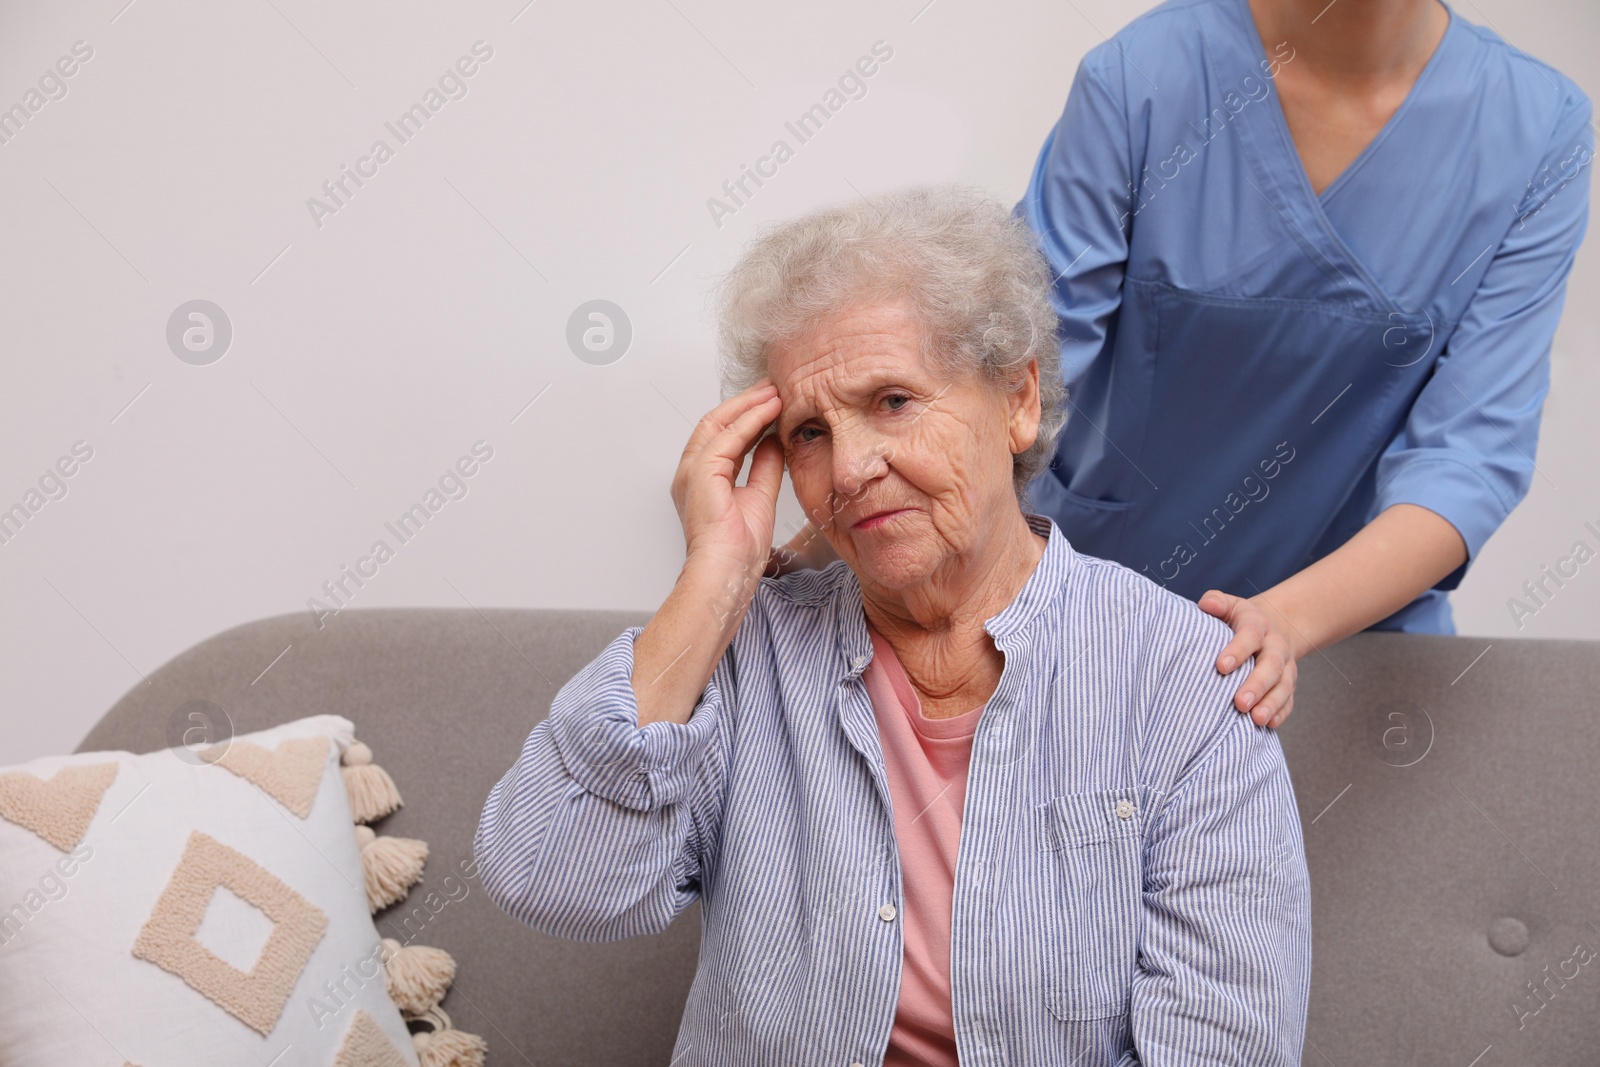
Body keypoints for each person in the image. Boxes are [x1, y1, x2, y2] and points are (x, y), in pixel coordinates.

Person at [476, 187, 1311, 1066]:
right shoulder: (742, 652)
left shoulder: (1183, 676)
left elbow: (1230, 1045)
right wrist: (713, 582)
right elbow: (553, 880)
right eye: (806, 432)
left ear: (1017, 398)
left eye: (893, 401)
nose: (851, 468)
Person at [772, 0, 1593, 731]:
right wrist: (825, 527)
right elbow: (1006, 365)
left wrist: (1278, 627)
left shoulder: (1540, 129)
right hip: (1097, 616)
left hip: (1351, 647)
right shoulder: (1142, 79)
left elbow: (1470, 460)